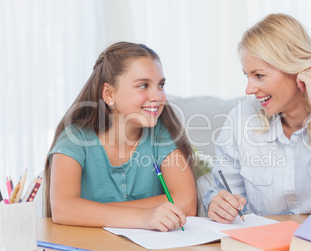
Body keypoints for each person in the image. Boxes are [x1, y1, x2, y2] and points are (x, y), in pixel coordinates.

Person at [203, 13, 311, 223]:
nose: (249, 89)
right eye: (246, 75)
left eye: (259, 75)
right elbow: (224, 193)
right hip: (265, 247)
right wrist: (217, 204)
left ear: (297, 69)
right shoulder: (240, 118)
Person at [44, 42, 197, 231]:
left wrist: (87, 212)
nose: (157, 96)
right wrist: (143, 217)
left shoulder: (162, 133)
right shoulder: (75, 137)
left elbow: (187, 203)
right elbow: (63, 209)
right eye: (143, 85)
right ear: (109, 94)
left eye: (161, 85)